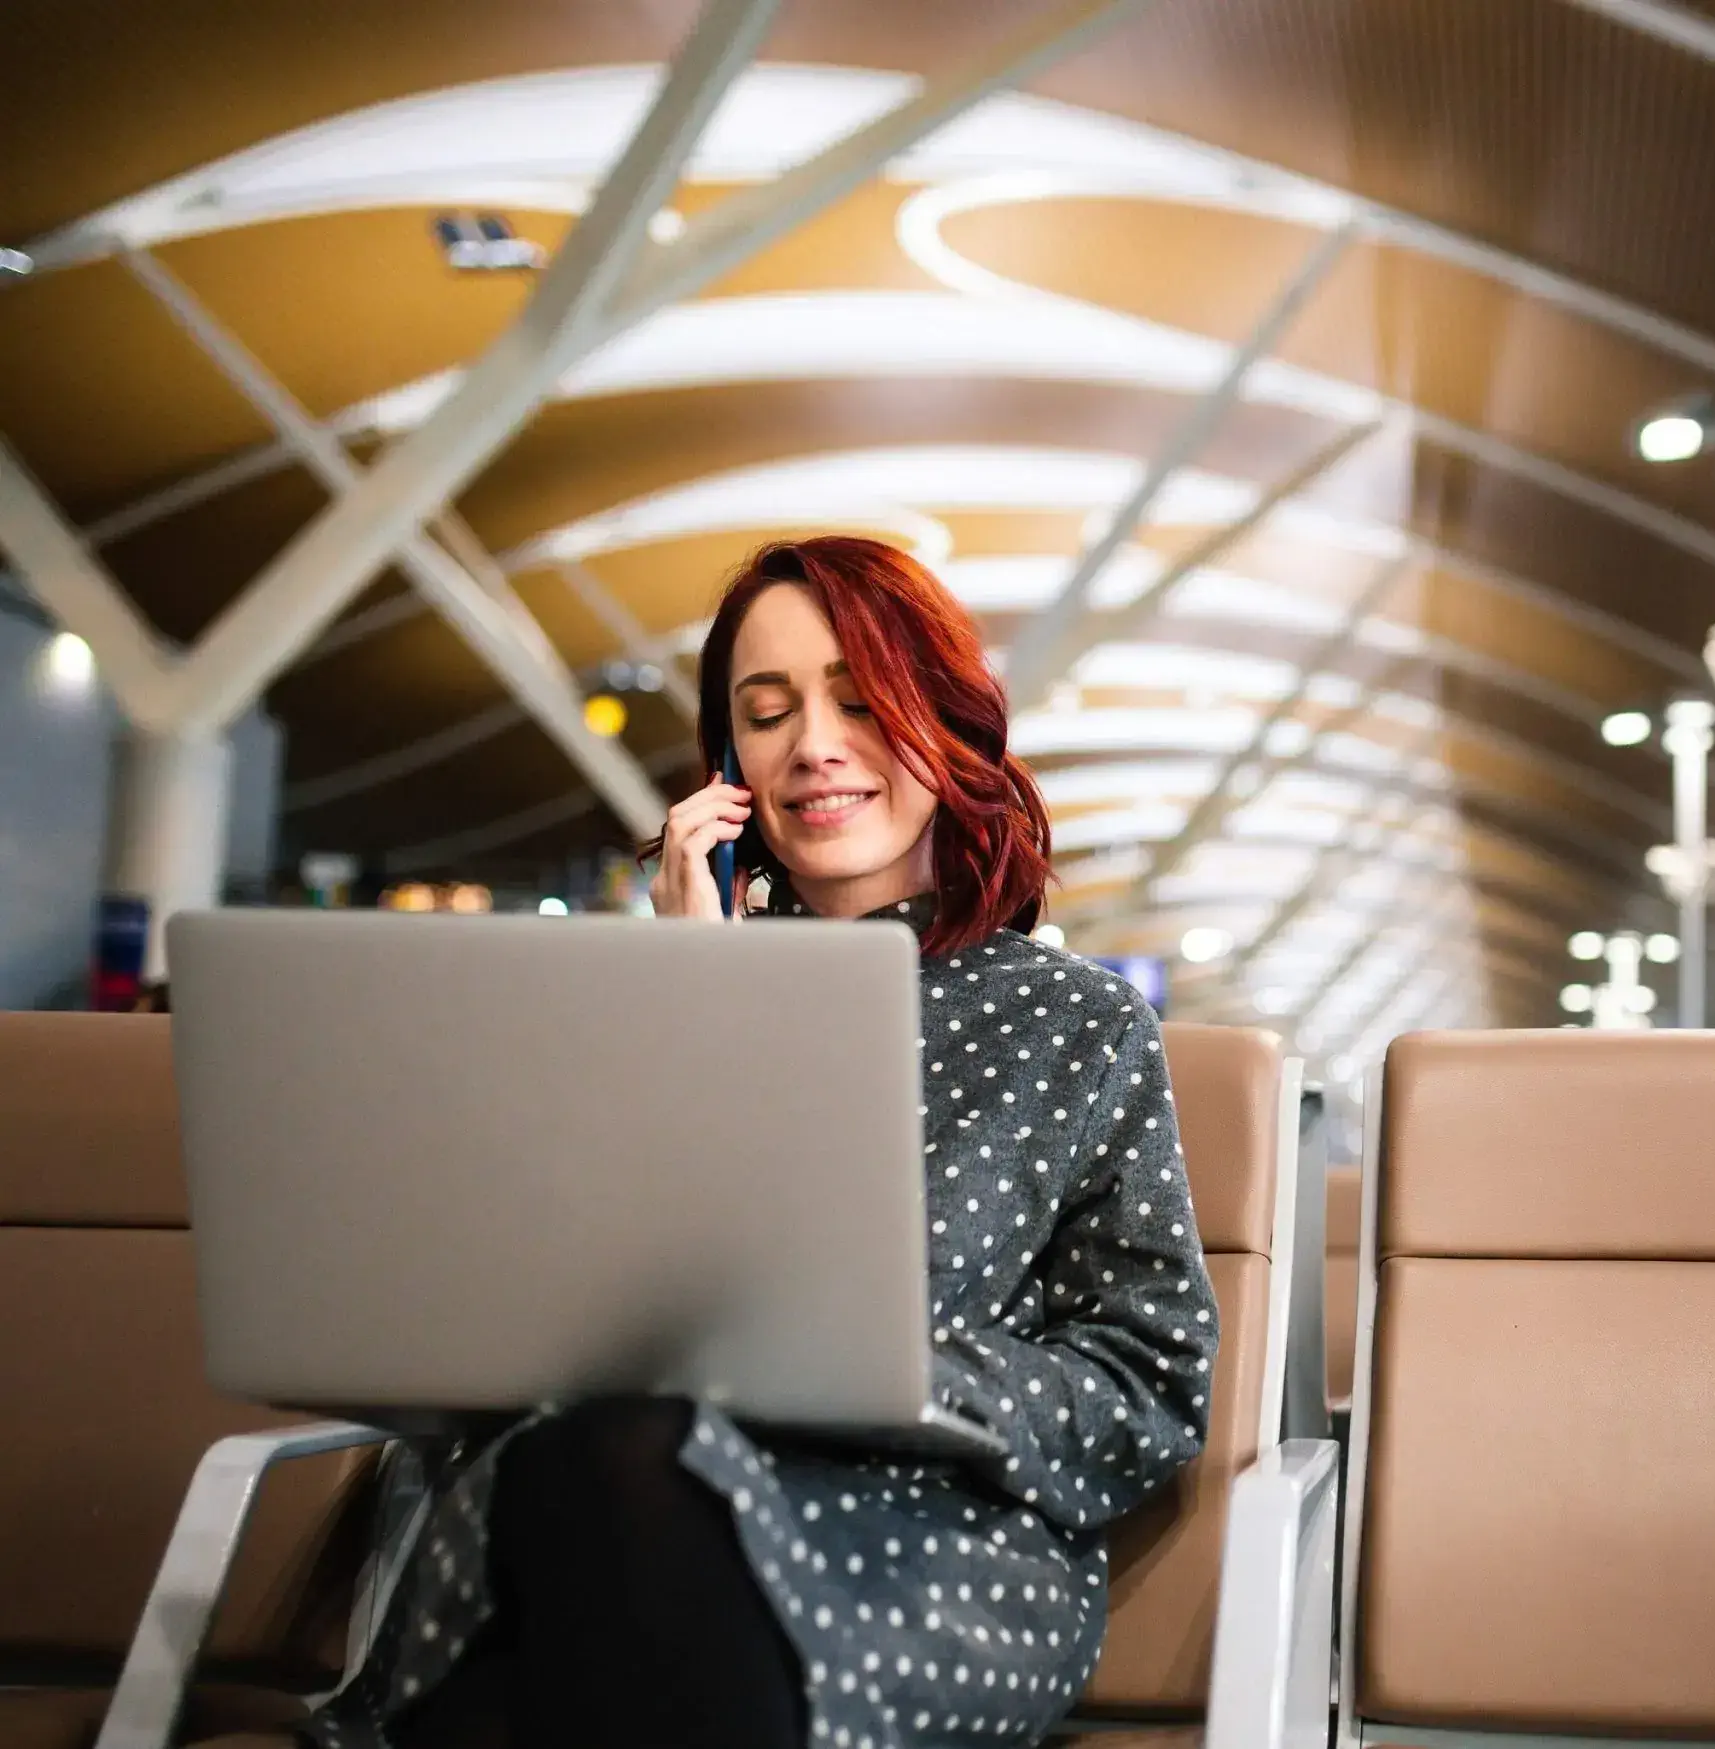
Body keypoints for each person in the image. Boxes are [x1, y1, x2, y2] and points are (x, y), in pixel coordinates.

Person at [309, 537, 1217, 1749]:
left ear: (941, 722)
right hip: (604, 1494)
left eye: (858, 696)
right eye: (768, 710)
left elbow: (1147, 1382)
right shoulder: (622, 1004)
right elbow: (523, 1319)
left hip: (921, 1546)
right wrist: (689, 998)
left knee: (600, 1529)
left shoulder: (1076, 1028)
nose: (814, 745)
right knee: (612, 1471)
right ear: (728, 764)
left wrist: (902, 1370)